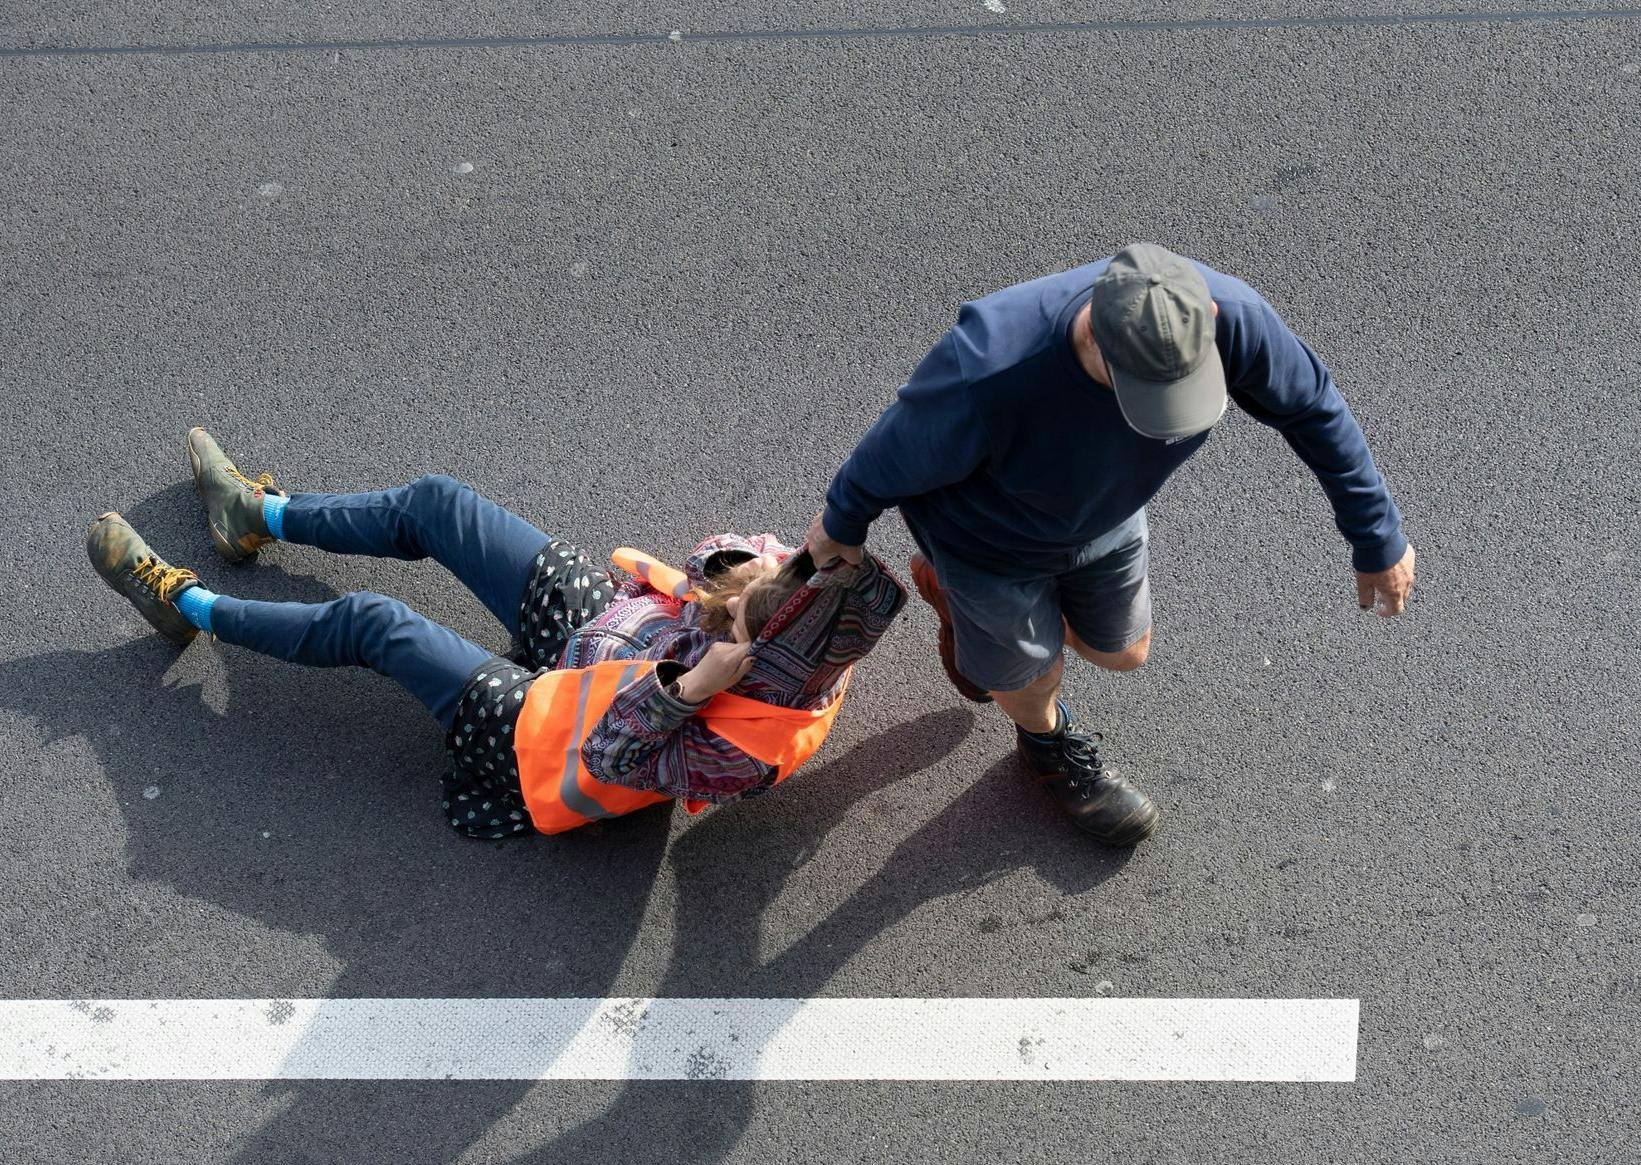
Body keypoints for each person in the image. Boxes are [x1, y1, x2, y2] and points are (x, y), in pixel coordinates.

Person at [806, 243, 1416, 846]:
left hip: (1105, 517)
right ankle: (1047, 743)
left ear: (1207, 318)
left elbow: (1313, 409)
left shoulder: (1235, 316)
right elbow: (887, 456)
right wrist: (842, 526)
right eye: (1143, 390)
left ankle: (970, 615)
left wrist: (1377, 536)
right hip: (988, 545)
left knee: (1124, 653)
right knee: (1030, 676)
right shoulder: (990, 366)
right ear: (1095, 333)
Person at [87, 429, 907, 838]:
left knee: (375, 622)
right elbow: (707, 562)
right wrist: (738, 575)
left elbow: (612, 758)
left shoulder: (753, 746)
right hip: (602, 633)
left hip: (547, 731)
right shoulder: (803, 600)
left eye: (731, 618)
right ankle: (254, 516)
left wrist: (689, 687)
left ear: (757, 657)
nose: (725, 603)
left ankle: (184, 604)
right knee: (438, 503)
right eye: (768, 578)